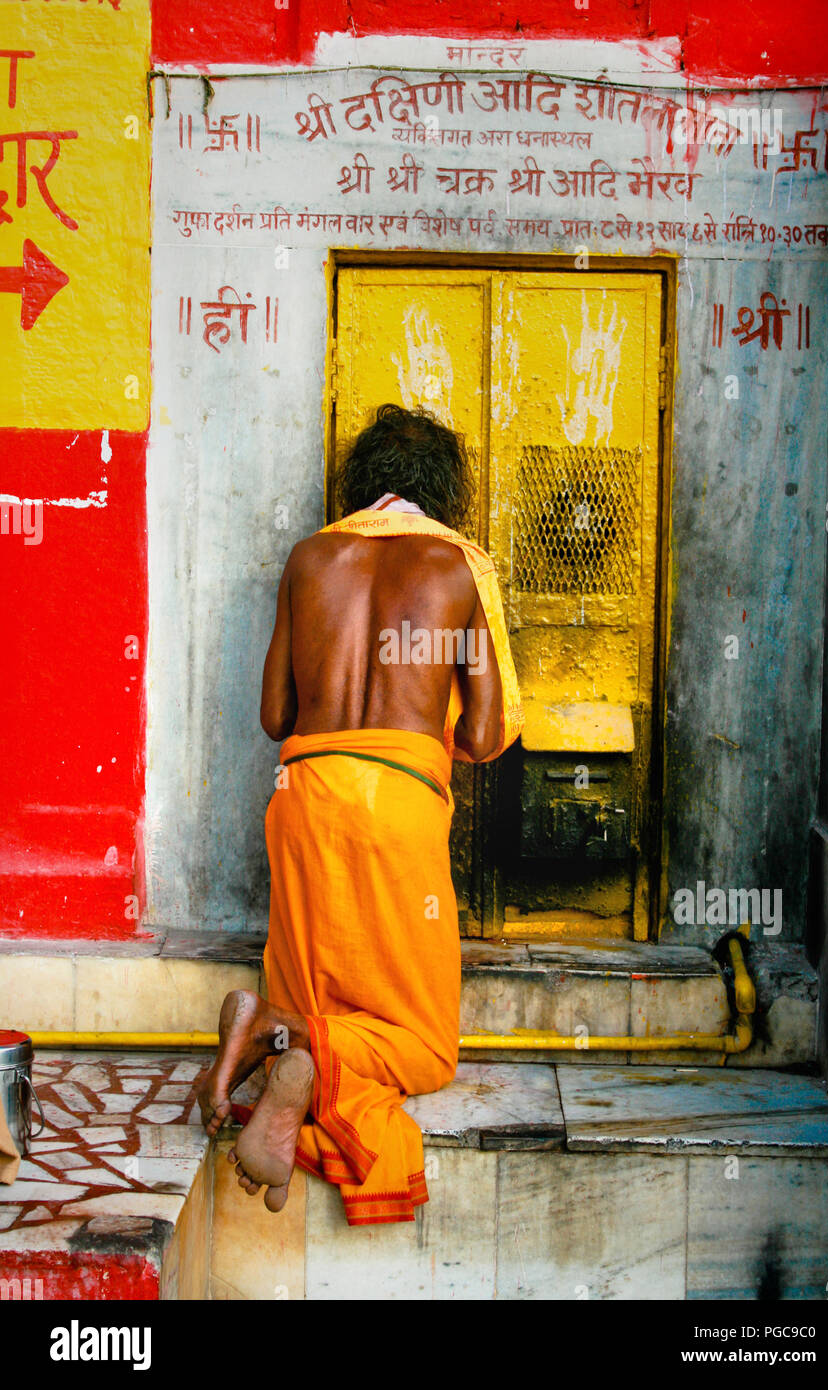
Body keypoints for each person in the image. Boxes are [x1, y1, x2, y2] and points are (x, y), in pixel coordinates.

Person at [197, 404, 523, 1224]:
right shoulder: (458, 567)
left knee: (326, 991)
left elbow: (274, 715)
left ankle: (282, 1040)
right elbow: (484, 735)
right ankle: (282, 1035)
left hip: (303, 795)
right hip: (398, 804)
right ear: (445, 489)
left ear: (360, 482)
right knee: (425, 1048)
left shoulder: (309, 559)